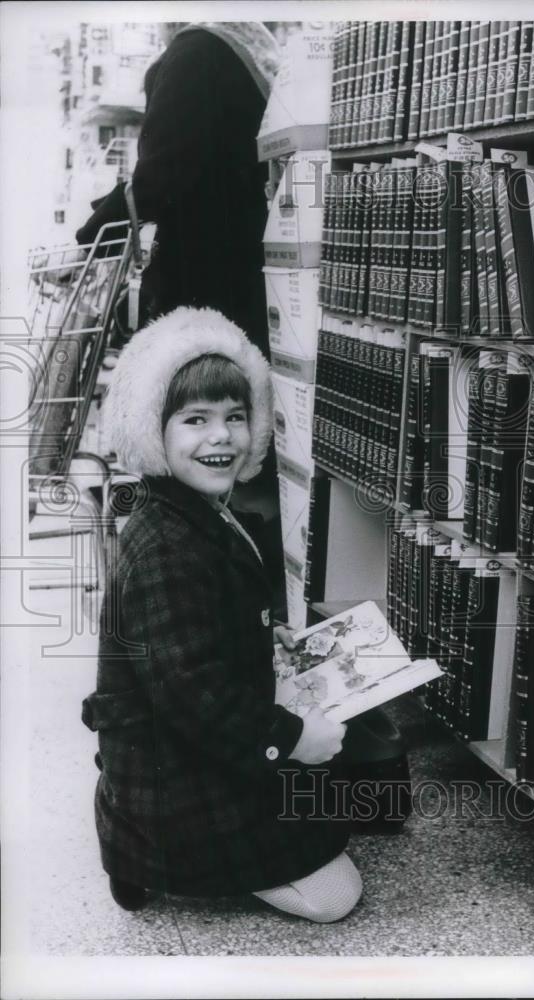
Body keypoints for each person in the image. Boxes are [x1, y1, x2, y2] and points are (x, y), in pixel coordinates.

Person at [81, 306, 362, 922]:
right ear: (154, 431)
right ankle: (142, 848)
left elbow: (201, 632)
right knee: (336, 896)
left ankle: (141, 845)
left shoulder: (196, 510)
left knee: (348, 787)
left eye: (236, 417)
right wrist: (288, 739)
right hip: (177, 769)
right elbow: (189, 689)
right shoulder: (163, 545)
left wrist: (265, 637)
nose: (222, 437)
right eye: (195, 420)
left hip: (182, 748)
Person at [74, 22, 280, 355]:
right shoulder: (240, 47)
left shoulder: (193, 53)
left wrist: (87, 245)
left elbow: (159, 173)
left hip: (203, 286)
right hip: (240, 274)